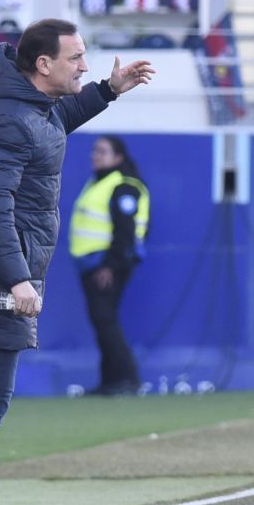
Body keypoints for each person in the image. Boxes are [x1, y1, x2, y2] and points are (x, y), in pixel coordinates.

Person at [0, 19, 154, 505]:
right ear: (43, 65)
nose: (85, 64)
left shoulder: (29, 108)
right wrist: (16, 277)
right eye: (76, 58)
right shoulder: (9, 118)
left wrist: (107, 91)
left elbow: (56, 122)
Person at [70, 136, 150, 396]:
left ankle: (128, 379)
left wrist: (111, 266)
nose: (96, 155)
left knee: (106, 321)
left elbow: (125, 231)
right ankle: (110, 381)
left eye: (103, 151)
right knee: (102, 322)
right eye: (95, 150)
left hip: (107, 265)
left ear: (118, 158)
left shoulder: (123, 186)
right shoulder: (98, 182)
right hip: (92, 264)